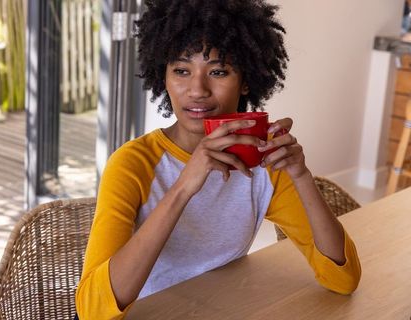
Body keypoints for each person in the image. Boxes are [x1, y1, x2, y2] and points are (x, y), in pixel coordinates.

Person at [75, 0, 361, 319]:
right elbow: (92, 311)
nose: (197, 89)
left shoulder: (261, 160)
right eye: (181, 70)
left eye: (218, 71)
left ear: (246, 80)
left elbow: (342, 279)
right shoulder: (132, 165)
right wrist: (185, 186)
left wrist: (302, 176)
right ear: (163, 77)